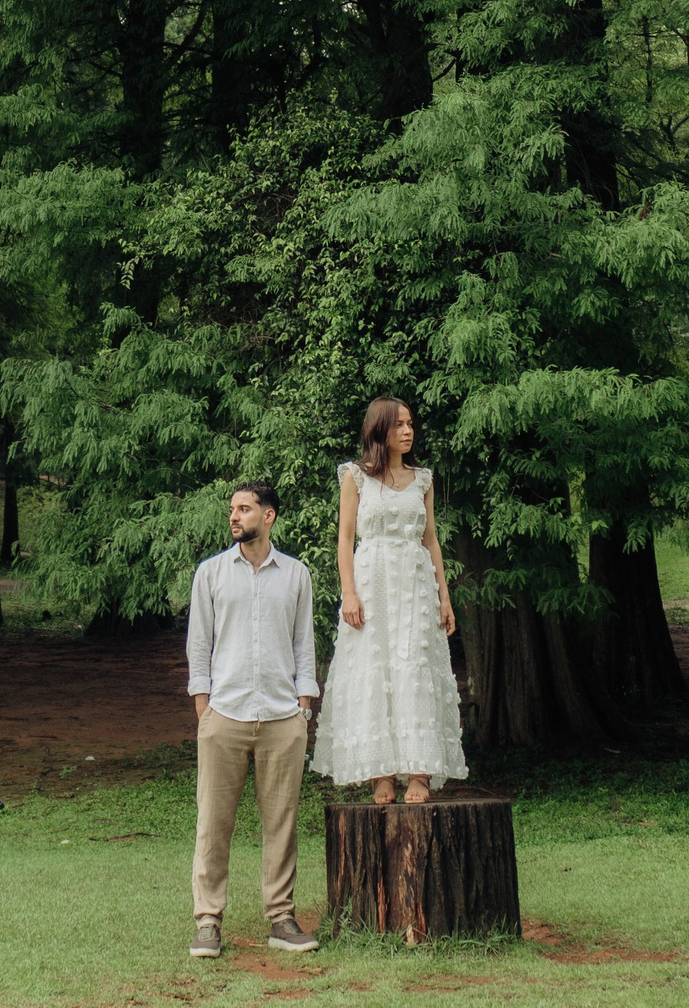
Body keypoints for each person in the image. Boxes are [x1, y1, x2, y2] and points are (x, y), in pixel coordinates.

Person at [184, 480, 320, 960]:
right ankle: (207, 922)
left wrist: (304, 707)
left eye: (244, 509)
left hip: (283, 718)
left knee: (281, 823)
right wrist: (205, 712)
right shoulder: (212, 573)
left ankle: (281, 918)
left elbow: (305, 643)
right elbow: (199, 646)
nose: (234, 516)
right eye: (231, 510)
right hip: (226, 715)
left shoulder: (297, 575)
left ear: (269, 517)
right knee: (212, 823)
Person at [311, 397, 468, 804]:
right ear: (380, 429)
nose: (407, 431)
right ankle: (380, 775)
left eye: (410, 424)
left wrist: (444, 597)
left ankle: (419, 773)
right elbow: (345, 538)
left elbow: (430, 539)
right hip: (372, 578)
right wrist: (349, 591)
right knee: (374, 666)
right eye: (399, 425)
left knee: (415, 665)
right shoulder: (356, 476)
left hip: (414, 583)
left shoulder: (423, 479)